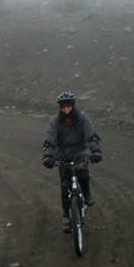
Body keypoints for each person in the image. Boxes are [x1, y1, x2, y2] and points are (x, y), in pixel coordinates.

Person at [42, 91, 102, 233]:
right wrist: (48, 157)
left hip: (80, 150)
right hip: (62, 153)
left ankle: (86, 193)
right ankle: (66, 217)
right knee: (65, 185)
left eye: (68, 106)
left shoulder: (82, 118)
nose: (66, 109)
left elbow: (92, 136)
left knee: (81, 170)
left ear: (73, 106)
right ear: (60, 108)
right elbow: (49, 141)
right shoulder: (55, 121)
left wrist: (96, 152)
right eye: (63, 107)